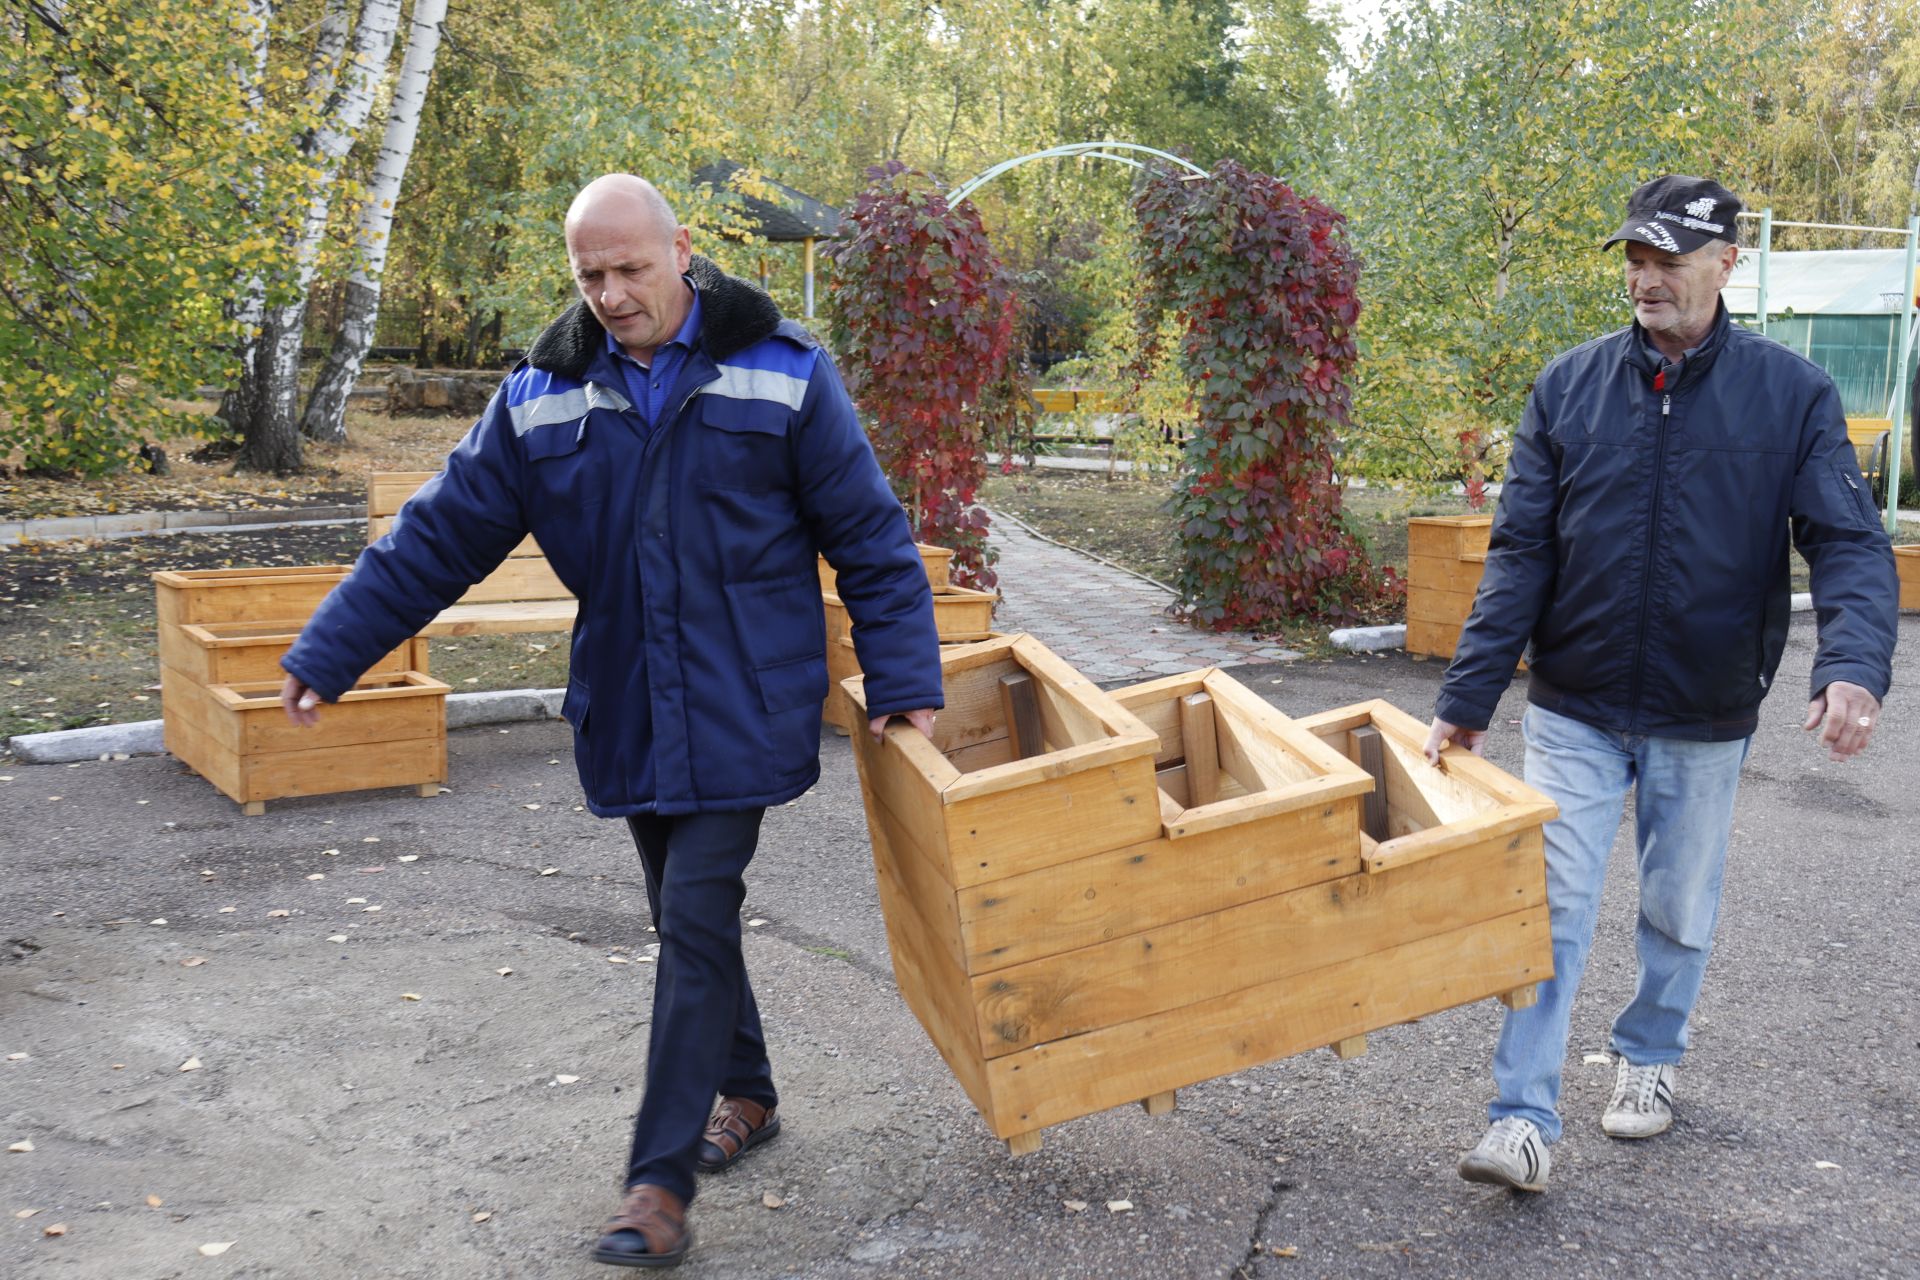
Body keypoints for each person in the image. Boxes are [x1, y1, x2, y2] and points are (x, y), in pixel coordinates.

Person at [278, 174, 944, 1266]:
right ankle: (751, 1091)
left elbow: (868, 535)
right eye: (591, 274)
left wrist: (906, 674)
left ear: (682, 251)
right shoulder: (544, 392)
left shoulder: (782, 372)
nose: (613, 293)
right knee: (684, 914)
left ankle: (657, 1181)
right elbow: (442, 534)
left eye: (631, 267)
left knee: (692, 911)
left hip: (745, 694)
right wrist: (332, 646)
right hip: (629, 698)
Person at [1425, 175, 1898, 1194]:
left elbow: (1850, 545)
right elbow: (1518, 554)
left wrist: (1855, 664)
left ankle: (1648, 1057)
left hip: (1704, 705)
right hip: (1577, 703)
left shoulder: (1792, 396)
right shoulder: (1569, 386)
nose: (1647, 279)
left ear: (1727, 263)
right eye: (1635, 259)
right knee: (1549, 903)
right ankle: (1521, 1117)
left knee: (1678, 906)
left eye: (1669, 260)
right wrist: (1465, 699)